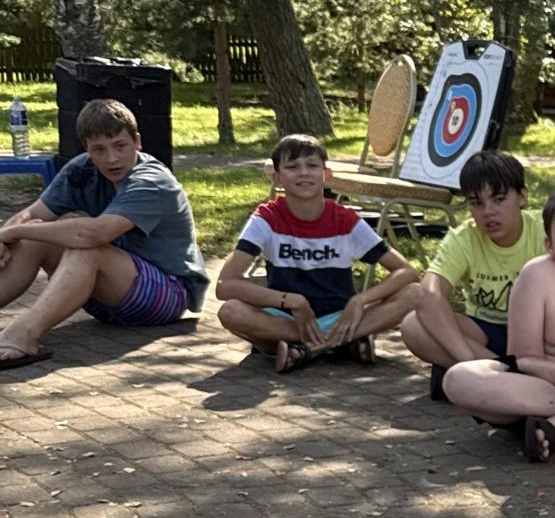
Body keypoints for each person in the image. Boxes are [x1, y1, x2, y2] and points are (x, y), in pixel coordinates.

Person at [0, 97, 208, 369]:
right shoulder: (81, 170)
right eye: (99, 149)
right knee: (32, 238)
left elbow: (94, 235)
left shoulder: (153, 181)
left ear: (137, 141)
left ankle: (21, 336)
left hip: (168, 295)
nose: (111, 158)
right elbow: (33, 213)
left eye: (120, 146)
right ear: (87, 149)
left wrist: (13, 232)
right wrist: (6, 236)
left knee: (86, 249)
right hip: (106, 296)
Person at [441, 182, 555, 460]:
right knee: (458, 379)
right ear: (549, 245)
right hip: (551, 385)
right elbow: (524, 360)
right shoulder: (536, 276)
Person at [215, 135, 420, 372]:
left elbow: (407, 272)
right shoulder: (266, 219)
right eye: (292, 167)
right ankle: (344, 342)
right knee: (231, 311)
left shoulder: (345, 219)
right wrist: (291, 301)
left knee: (416, 293)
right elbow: (225, 285)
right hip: (287, 319)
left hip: (341, 316)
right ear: (277, 178)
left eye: (312, 165)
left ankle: (308, 349)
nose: (304, 173)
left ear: (326, 174)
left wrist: (360, 300)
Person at [402, 151, 546, 396]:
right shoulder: (464, 238)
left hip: (540, 332)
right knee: (413, 325)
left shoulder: (545, 230)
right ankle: (494, 375)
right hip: (485, 332)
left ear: (522, 196)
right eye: (476, 203)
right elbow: (429, 294)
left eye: (499, 199)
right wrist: (469, 361)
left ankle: (470, 375)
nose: (488, 212)